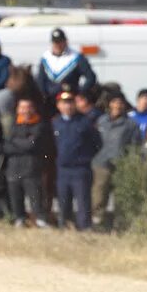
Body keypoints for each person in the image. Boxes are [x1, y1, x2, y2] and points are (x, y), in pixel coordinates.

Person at [51, 90, 101, 230]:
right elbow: (50, 146)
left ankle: (85, 229)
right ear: (58, 106)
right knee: (63, 202)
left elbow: (97, 143)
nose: (67, 106)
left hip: (80, 169)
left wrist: (85, 157)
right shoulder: (55, 123)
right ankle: (65, 227)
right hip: (62, 170)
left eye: (70, 103)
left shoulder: (85, 122)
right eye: (64, 103)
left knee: (83, 201)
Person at [92, 94, 142, 229]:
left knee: (121, 197)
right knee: (99, 196)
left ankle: (120, 225)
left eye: (120, 103)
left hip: (121, 165)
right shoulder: (101, 121)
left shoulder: (131, 124)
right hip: (101, 164)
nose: (117, 106)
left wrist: (130, 164)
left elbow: (135, 146)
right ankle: (98, 224)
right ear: (110, 104)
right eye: (114, 102)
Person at [2, 97, 50, 227]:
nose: (25, 110)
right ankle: (19, 219)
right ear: (17, 109)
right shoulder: (12, 125)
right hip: (13, 168)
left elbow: (32, 145)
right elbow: (6, 146)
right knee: (15, 197)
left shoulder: (39, 125)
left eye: (28, 107)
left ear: (33, 109)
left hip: (31, 168)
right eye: (22, 107)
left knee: (35, 197)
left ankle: (40, 220)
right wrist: (22, 143)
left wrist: (15, 143)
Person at [37, 28, 97, 113]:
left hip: (70, 100)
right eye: (55, 42)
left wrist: (80, 93)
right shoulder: (46, 58)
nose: (58, 45)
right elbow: (40, 80)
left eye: (60, 42)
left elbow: (90, 77)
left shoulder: (76, 57)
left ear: (65, 42)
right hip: (50, 101)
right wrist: (43, 96)